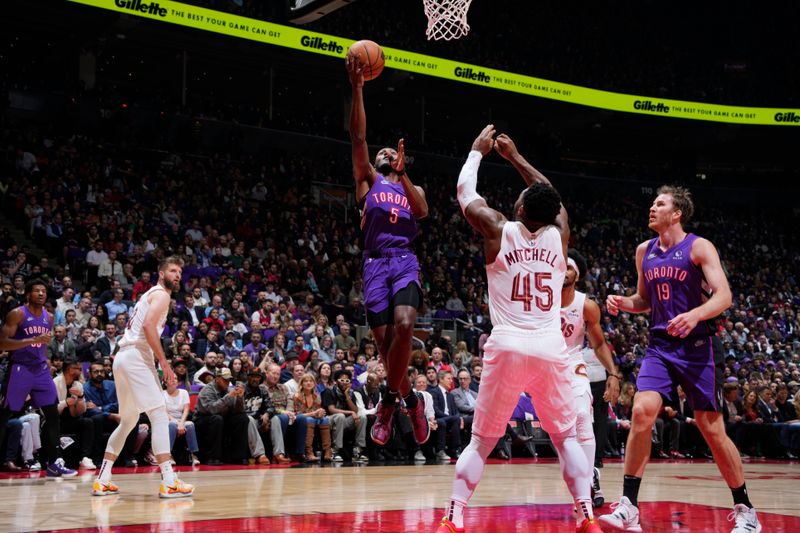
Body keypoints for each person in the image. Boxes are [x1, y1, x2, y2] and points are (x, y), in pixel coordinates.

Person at [435, 126, 600, 533]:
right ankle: (586, 515)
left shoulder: (498, 229)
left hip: (507, 343)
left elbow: (464, 194)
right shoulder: (560, 239)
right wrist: (516, 157)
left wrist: (477, 152)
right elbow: (551, 196)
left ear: (522, 210)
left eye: (522, 199)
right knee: (565, 440)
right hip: (549, 346)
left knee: (481, 441)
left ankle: (454, 516)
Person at [600, 186, 760, 532]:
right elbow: (645, 300)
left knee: (711, 428)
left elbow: (725, 296)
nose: (652, 208)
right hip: (660, 345)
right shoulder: (644, 251)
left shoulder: (699, 246)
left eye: (660, 204)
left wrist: (696, 315)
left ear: (677, 214)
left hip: (699, 345)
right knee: (642, 411)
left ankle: (746, 509)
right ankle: (629, 506)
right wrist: (623, 302)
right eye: (653, 203)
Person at [346, 54, 430, 448]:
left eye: (389, 153)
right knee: (384, 345)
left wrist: (405, 171)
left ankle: (387, 403)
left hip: (404, 261)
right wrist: (358, 88)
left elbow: (424, 211)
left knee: (404, 326)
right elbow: (358, 139)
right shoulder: (368, 182)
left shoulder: (409, 188)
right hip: (375, 265)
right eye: (381, 153)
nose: (381, 152)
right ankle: (409, 402)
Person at [92, 257, 193, 498]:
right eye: (172, 270)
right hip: (137, 355)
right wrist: (166, 365)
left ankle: (103, 479)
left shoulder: (147, 295)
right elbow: (148, 327)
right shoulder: (161, 295)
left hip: (123, 357)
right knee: (159, 415)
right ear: (160, 273)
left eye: (180, 271)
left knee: (128, 420)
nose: (177, 275)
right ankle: (169, 481)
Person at [560, 249, 621, 508]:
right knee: (562, 435)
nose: (563, 271)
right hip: (543, 367)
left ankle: (587, 480)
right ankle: (587, 475)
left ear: (577, 275)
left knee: (584, 418)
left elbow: (598, 344)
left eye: (569, 268)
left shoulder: (586, 305)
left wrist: (613, 374)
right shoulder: (539, 298)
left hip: (573, 363)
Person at [0, 278, 76, 478]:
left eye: (43, 291)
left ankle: (53, 463)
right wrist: (31, 340)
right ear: (28, 294)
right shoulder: (17, 314)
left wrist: (46, 359)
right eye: (37, 291)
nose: (41, 294)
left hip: (41, 370)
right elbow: (3, 343)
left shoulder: (48, 317)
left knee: (52, 415)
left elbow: (42, 344)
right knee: (5, 414)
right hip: (20, 369)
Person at [162, 374, 200, 466]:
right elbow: (164, 412)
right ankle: (169, 455)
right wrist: (176, 422)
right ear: (165, 382)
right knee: (172, 425)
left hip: (181, 419)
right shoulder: (161, 393)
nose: (174, 380)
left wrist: (181, 423)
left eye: (175, 378)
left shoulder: (184, 392)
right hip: (167, 420)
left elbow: (186, 410)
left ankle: (193, 455)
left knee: (190, 424)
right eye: (171, 378)